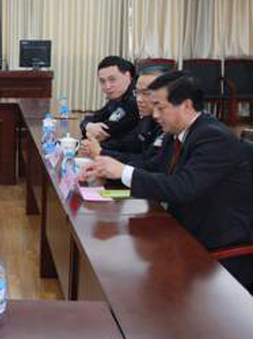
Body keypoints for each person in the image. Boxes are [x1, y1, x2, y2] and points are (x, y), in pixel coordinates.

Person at [80, 71, 253, 288]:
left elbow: (182, 187)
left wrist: (122, 171)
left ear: (187, 106)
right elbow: (153, 169)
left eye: (160, 108)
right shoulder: (176, 134)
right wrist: (108, 171)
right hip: (182, 226)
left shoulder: (213, 137)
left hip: (217, 245)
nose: (154, 115)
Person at [82, 65, 170, 168]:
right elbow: (130, 143)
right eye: (137, 92)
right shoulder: (147, 117)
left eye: (146, 93)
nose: (139, 99)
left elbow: (150, 163)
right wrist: (94, 146)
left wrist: (101, 151)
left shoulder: (168, 125)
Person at [80, 56, 140, 147]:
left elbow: (102, 132)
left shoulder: (135, 100)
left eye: (112, 79)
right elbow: (95, 117)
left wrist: (87, 129)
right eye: (102, 81)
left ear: (127, 76)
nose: (107, 86)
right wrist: (88, 126)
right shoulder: (118, 96)